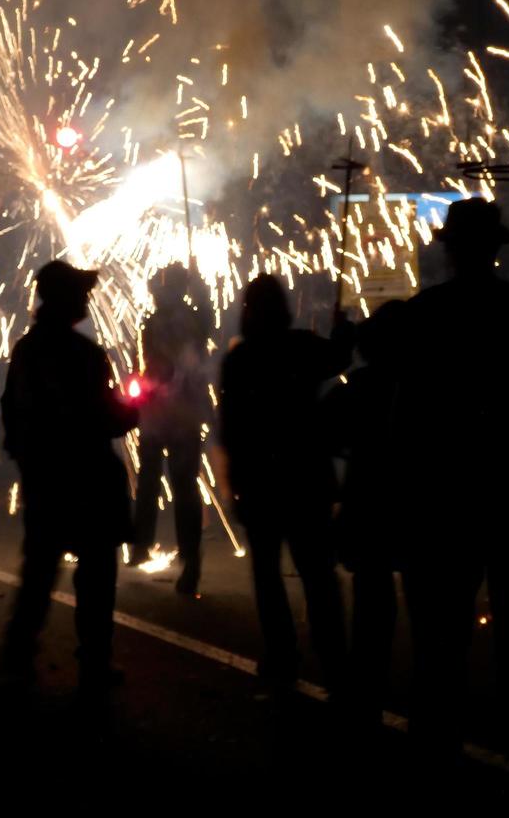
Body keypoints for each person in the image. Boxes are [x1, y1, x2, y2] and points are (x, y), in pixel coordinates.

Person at [397, 199, 509, 758]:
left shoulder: (425, 313)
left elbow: (405, 412)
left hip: (444, 489)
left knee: (442, 624)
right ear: (495, 250)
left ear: (451, 251)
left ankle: (437, 733)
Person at [0, 260, 138, 689]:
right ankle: (95, 658)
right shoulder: (84, 355)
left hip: (45, 481)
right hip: (87, 481)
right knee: (96, 575)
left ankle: (16, 654)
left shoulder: (25, 350)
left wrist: (27, 458)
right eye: (79, 293)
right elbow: (105, 418)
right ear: (63, 299)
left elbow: (10, 414)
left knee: (39, 573)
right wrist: (133, 409)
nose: (86, 299)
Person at [219, 275, 351, 693]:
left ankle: (282, 654)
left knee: (267, 573)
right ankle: (334, 657)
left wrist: (236, 485)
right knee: (317, 571)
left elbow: (233, 428)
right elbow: (338, 358)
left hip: (261, 480)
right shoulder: (302, 346)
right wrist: (343, 330)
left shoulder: (240, 360)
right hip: (305, 476)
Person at [323, 298, 408, 725]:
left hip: (371, 502)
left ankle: (366, 686)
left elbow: (323, 433)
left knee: (373, 598)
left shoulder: (358, 386)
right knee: (424, 599)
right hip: (414, 503)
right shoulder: (426, 386)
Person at [129, 263, 213, 594]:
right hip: (171, 415)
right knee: (177, 487)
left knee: (161, 483)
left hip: (171, 415)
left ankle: (149, 546)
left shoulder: (172, 320)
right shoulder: (189, 318)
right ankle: (180, 555)